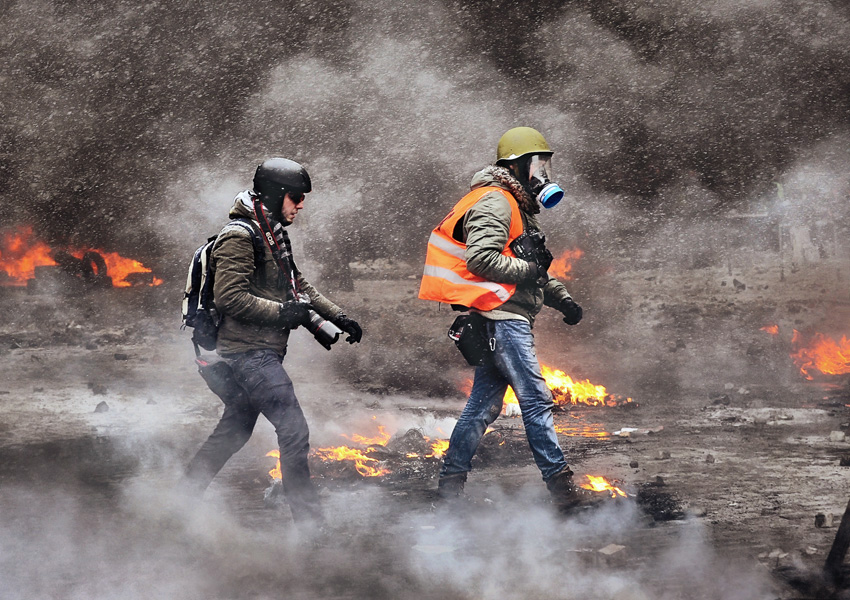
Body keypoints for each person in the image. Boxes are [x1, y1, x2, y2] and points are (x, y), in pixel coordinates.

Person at [419, 127, 601, 511]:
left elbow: (529, 266)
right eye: (539, 164)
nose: (543, 174)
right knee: (535, 401)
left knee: (482, 408)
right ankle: (562, 491)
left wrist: (563, 300)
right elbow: (482, 260)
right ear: (517, 166)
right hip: (502, 321)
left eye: (546, 164)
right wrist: (534, 273)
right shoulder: (496, 202)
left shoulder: (513, 205)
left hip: (494, 319)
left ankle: (449, 487)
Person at [183, 157, 363, 529]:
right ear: (275, 194)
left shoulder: (273, 233)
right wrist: (285, 314)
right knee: (293, 430)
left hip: (258, 353)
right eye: (295, 197)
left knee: (233, 432)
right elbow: (229, 298)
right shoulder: (239, 236)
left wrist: (339, 317)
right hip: (245, 355)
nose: (300, 205)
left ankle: (178, 500)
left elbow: (300, 287)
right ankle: (312, 527)